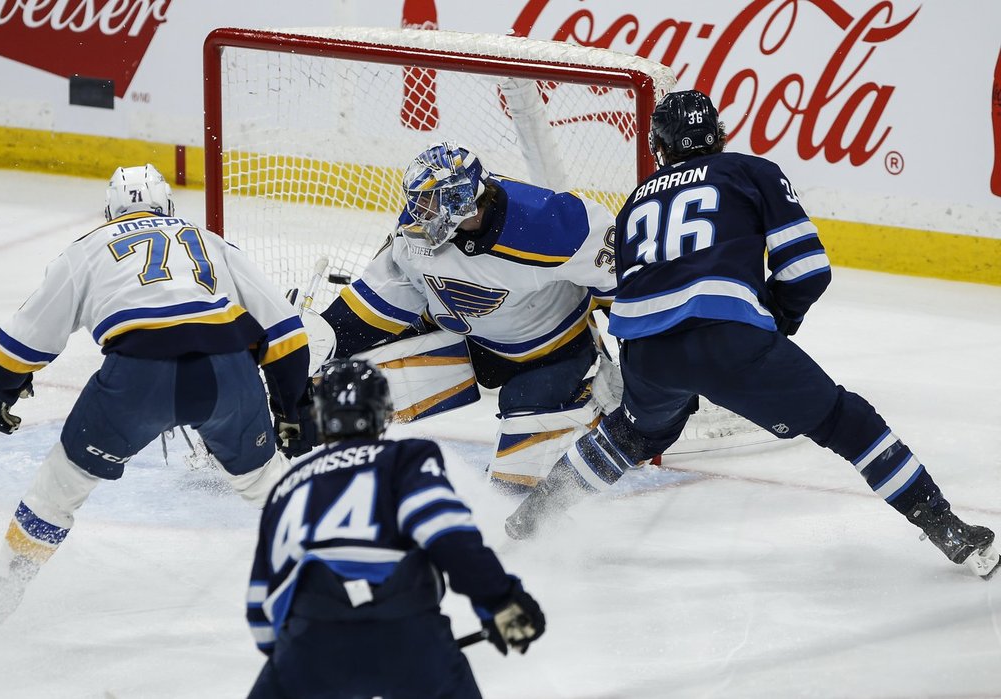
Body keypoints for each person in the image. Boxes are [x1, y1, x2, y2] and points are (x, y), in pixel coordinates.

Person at [504, 90, 1000, 579]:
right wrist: (773, 326)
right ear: (720, 135)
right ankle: (949, 531)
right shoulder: (751, 171)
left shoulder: (636, 202)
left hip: (646, 353)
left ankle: (537, 514)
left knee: (636, 431)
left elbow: (630, 290)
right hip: (728, 340)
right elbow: (807, 269)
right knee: (848, 422)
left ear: (660, 147)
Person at [0, 164, 313, 624]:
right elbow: (286, 330)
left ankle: (1, 594)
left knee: (59, 488)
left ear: (111, 211)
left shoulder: (88, 248)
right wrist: (293, 406)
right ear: (169, 207)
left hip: (138, 380)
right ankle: (339, 574)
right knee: (266, 484)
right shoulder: (209, 240)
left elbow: (27, 338)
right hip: (227, 374)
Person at [301, 141, 621, 487]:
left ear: (462, 201)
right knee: (341, 383)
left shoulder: (552, 223)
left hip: (553, 353)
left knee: (514, 490)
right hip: (467, 341)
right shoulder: (416, 235)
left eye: (430, 202)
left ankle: (591, 400)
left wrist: (640, 367)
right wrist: (314, 345)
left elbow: (626, 290)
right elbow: (373, 306)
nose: (418, 213)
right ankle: (273, 443)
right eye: (418, 201)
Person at [246, 358, 545, 698]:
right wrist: (501, 604)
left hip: (311, 643)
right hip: (409, 634)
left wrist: (295, 657)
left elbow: (261, 604)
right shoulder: (406, 457)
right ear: (383, 412)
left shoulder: (287, 487)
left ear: (318, 417)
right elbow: (450, 537)